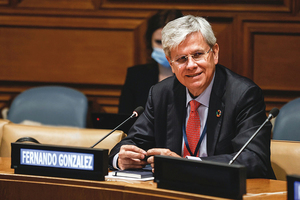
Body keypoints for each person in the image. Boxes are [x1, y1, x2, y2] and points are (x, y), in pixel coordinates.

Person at [110, 15, 275, 179]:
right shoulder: (161, 94)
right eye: (181, 59)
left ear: (215, 53)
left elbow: (254, 159)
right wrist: (121, 158)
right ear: (171, 64)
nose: (191, 65)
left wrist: (187, 164)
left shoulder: (243, 94)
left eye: (197, 54)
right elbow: (131, 143)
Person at [118, 9, 183, 114]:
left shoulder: (194, 75)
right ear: (150, 42)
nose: (164, 49)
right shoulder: (135, 76)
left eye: (170, 43)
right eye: (159, 42)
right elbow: (124, 120)